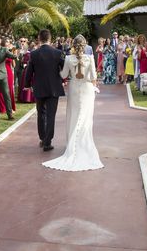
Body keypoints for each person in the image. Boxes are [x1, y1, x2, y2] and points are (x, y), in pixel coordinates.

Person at [42, 35, 103, 171]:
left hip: (74, 89)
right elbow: (93, 76)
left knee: (74, 116)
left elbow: (63, 75)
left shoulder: (69, 58)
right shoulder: (90, 58)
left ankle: (72, 143)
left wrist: (55, 68)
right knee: (86, 117)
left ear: (73, 45)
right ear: (85, 45)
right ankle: (83, 144)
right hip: (87, 89)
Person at [24, 29, 65, 151]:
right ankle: (48, 142)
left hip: (39, 87)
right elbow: (64, 68)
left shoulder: (34, 54)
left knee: (41, 113)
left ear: (39, 39)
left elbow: (29, 71)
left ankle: (42, 138)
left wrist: (27, 84)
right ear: (50, 39)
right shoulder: (58, 53)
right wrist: (63, 79)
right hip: (54, 88)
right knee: (51, 115)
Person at [0, 38, 17, 115]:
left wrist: (13, 56)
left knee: (10, 90)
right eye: (5, 41)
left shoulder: (10, 52)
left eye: (8, 41)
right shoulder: (0, 51)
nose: (7, 43)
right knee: (1, 90)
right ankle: (2, 108)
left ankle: (11, 107)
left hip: (9, 72)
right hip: (1, 71)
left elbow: (14, 65)